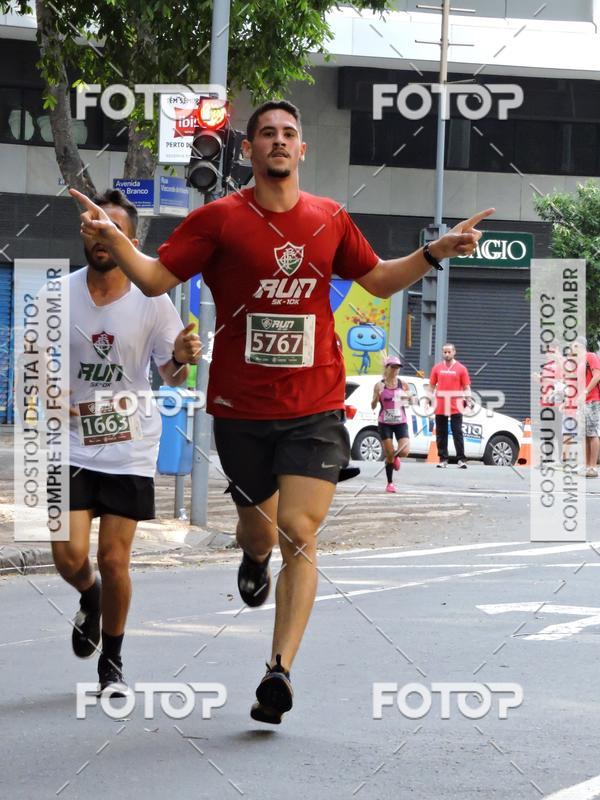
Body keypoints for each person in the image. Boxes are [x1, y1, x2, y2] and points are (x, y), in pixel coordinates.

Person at [69, 99, 493, 724]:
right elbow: (157, 279)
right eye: (265, 133)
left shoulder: (329, 219)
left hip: (315, 405)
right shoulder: (218, 220)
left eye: (288, 134)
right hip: (241, 410)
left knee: (300, 529)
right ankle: (251, 555)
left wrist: (435, 252)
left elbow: (375, 279)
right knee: (261, 531)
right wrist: (115, 240)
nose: (277, 142)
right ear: (248, 150)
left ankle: (279, 672)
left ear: (301, 150)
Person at [51, 189, 201, 695]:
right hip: (70, 440)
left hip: (128, 441)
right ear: (83, 234)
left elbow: (173, 376)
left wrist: (180, 356)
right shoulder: (57, 296)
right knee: (69, 557)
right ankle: (89, 596)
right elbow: (32, 374)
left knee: (116, 559)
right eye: (93, 227)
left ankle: (111, 661)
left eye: (111, 230)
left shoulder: (154, 300)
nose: (101, 237)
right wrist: (53, 401)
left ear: (130, 241)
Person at [371, 356, 411, 493]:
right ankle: (390, 483)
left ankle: (397, 457)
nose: (395, 370)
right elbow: (372, 405)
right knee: (389, 453)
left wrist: (409, 398)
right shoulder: (379, 385)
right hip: (385, 423)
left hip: (400, 422)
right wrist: (376, 398)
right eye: (393, 367)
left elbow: (409, 403)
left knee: (405, 450)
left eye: (398, 367)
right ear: (387, 368)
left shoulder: (403, 384)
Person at [429, 343, 472, 469]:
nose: (447, 354)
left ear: (454, 352)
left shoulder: (461, 368)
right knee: (441, 433)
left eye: (449, 352)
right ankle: (443, 459)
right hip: (441, 405)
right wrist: (427, 400)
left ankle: (461, 459)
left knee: (457, 432)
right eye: (445, 352)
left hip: (455, 406)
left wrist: (468, 402)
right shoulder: (437, 368)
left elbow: (466, 387)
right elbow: (431, 386)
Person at [573, 337, 600, 477]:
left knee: (592, 433)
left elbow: (597, 376)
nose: (572, 349)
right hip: (583, 402)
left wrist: (585, 392)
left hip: (592, 401)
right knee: (584, 434)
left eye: (574, 346)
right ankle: (586, 465)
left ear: (581, 346)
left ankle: (593, 467)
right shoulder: (580, 363)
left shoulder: (591, 356)